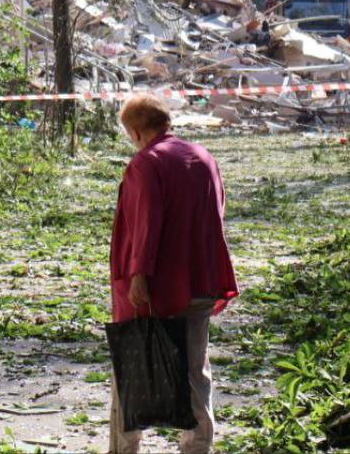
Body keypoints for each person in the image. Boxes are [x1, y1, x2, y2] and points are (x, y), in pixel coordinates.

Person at [109, 94, 238, 454]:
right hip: (201, 278)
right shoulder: (202, 156)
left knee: (133, 366)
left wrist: (138, 274)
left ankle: (124, 448)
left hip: (158, 285)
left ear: (135, 131)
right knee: (194, 369)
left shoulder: (146, 164)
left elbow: (145, 224)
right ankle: (197, 447)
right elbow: (218, 210)